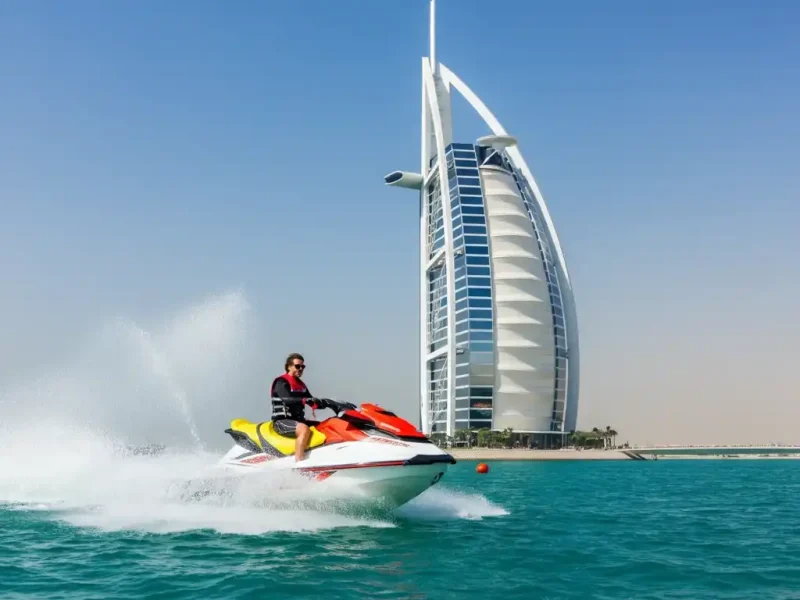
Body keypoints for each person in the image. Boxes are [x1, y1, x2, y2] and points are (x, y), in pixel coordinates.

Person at [270, 352, 327, 461]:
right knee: (304, 429)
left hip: (298, 421)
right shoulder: (281, 382)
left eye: (302, 366)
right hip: (282, 422)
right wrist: (304, 399)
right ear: (289, 367)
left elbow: (311, 401)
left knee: (324, 426)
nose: (300, 369)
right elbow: (286, 399)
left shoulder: (301, 385)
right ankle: (299, 462)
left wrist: (328, 403)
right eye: (297, 366)